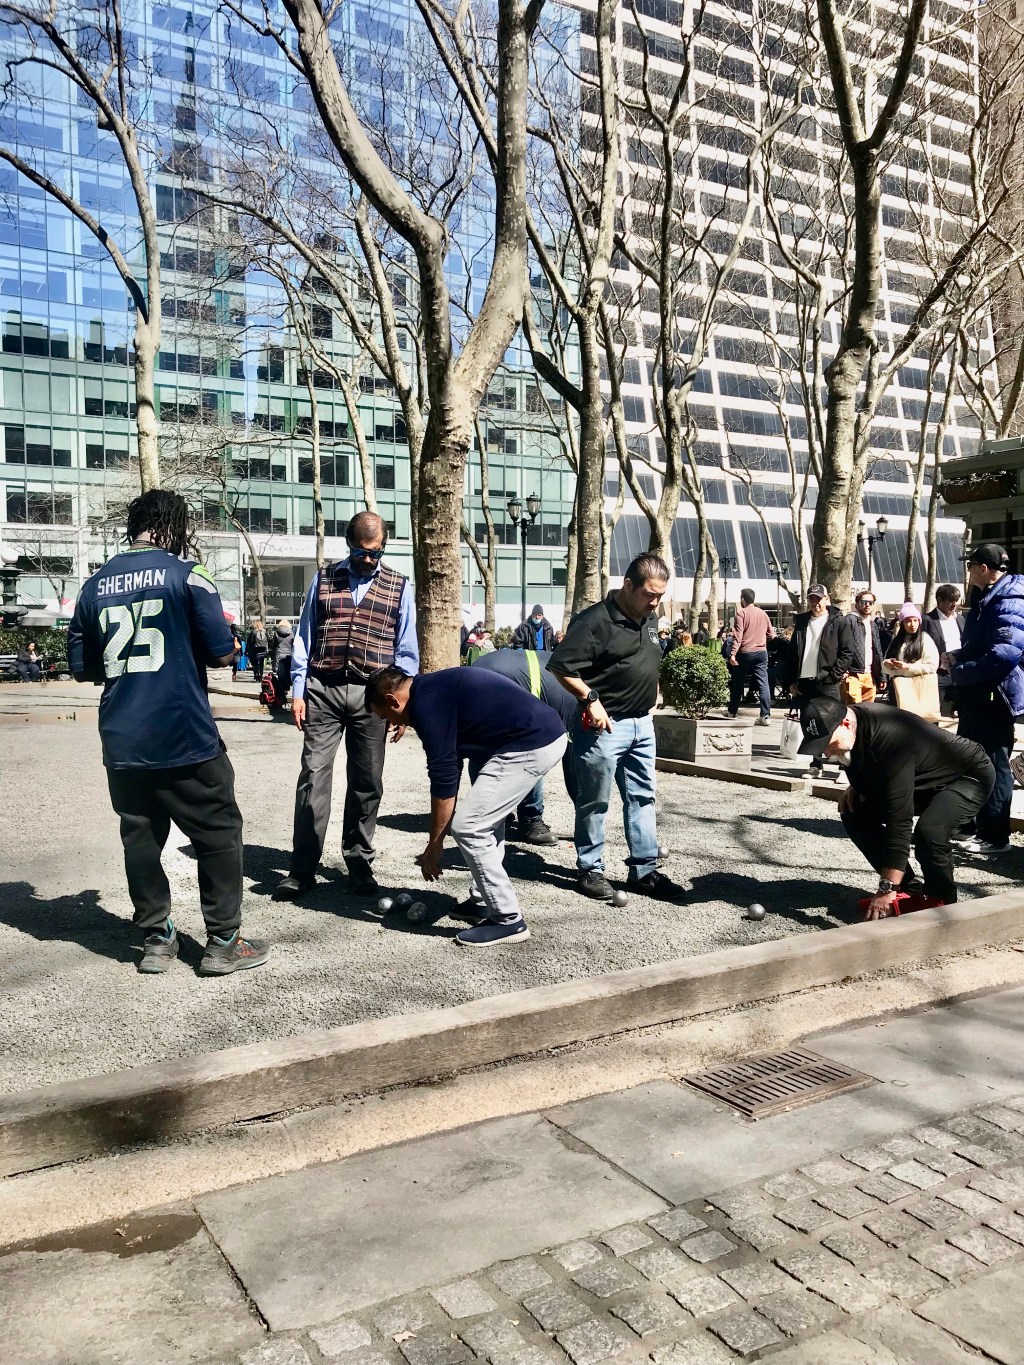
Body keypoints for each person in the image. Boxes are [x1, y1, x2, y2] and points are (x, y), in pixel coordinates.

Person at [67, 489, 269, 976]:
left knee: (139, 839)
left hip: (122, 737)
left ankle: (157, 939)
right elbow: (223, 652)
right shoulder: (189, 575)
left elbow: (81, 666)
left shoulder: (93, 585)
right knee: (218, 832)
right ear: (172, 527)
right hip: (182, 732)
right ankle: (223, 941)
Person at [365, 666, 567, 946]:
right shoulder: (428, 690)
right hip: (529, 737)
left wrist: (434, 846)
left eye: (386, 716)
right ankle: (484, 901)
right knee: (484, 821)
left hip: (531, 742)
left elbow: (444, 778)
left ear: (392, 700)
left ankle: (509, 920)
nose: (390, 723)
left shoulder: (426, 706)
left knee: (470, 827)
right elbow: (452, 764)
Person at [274, 511, 418, 901]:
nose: (369, 559)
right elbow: (304, 638)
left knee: (367, 781)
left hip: (374, 698)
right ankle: (302, 868)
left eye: (377, 552)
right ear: (348, 544)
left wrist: (402, 704)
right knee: (313, 777)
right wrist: (298, 690)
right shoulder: (323, 579)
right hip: (322, 688)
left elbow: (406, 652)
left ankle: (358, 860)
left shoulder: (400, 586)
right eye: (361, 552)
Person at [548, 553, 685, 903]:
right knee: (594, 800)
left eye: (660, 595)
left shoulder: (649, 617)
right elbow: (562, 667)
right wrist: (590, 698)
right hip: (604, 727)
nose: (655, 602)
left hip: (642, 724)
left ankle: (644, 871)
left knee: (642, 798)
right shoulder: (594, 622)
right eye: (649, 594)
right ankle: (590, 870)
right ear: (628, 585)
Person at [798, 695, 994, 917]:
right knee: (854, 810)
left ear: (845, 724)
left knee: (930, 831)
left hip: (966, 776)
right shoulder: (851, 725)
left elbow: (898, 820)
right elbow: (865, 762)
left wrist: (886, 887)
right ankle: (911, 892)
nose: (826, 753)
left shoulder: (891, 739)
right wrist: (858, 788)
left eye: (828, 743)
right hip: (921, 779)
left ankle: (942, 902)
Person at [946, 543, 1024, 855]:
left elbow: (1005, 653)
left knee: (994, 763)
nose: (967, 571)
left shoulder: (1009, 598)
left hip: (995, 693)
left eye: (970, 565)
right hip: (980, 691)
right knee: (969, 759)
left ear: (983, 569)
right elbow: (981, 644)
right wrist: (957, 655)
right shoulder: (989, 596)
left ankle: (995, 836)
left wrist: (961, 671)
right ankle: (969, 826)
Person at [472, 646, 578, 845]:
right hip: (499, 684)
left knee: (481, 749)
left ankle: (490, 812)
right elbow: (574, 772)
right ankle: (530, 820)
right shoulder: (574, 701)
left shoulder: (566, 671)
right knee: (531, 754)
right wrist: (584, 810)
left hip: (488, 672)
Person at [784, 585, 858, 777]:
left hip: (827, 681)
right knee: (810, 724)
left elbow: (847, 651)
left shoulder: (839, 622)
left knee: (835, 723)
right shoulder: (801, 622)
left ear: (827, 599)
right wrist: (791, 681)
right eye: (812, 599)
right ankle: (816, 763)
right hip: (804, 682)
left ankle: (844, 767)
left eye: (819, 599)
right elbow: (792, 654)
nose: (815, 603)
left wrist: (834, 675)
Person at [726, 589, 775, 726]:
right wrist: (761, 639)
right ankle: (765, 715)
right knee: (763, 683)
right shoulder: (763, 613)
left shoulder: (741, 613)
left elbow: (738, 636)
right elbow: (772, 635)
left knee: (737, 682)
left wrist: (733, 654)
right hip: (761, 652)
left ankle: (732, 711)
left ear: (743, 599)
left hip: (745, 652)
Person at [882, 603, 939, 705]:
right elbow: (888, 664)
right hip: (898, 688)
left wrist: (909, 667)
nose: (912, 624)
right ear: (902, 623)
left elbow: (932, 666)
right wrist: (887, 664)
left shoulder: (925, 639)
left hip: (918, 689)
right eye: (908, 621)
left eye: (915, 620)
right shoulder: (897, 641)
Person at [924, 584, 966, 716]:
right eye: (950, 601)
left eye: (956, 601)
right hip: (939, 673)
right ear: (940, 600)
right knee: (937, 713)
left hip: (960, 672)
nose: (954, 604)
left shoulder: (960, 619)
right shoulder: (928, 620)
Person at [845, 590, 887, 702]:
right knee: (854, 710)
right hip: (853, 674)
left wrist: (882, 676)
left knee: (868, 713)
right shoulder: (850, 620)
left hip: (870, 675)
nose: (867, 605)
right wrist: (843, 670)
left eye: (870, 602)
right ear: (856, 604)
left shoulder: (873, 624)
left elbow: (878, 651)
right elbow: (842, 646)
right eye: (864, 602)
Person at [271, 618, 294, 712]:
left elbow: (273, 645)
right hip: (288, 656)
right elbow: (293, 645)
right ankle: (285, 691)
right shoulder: (292, 633)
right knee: (286, 677)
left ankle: (281, 700)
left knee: (279, 678)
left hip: (279, 656)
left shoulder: (277, 633)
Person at [247, 618, 269, 683]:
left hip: (255, 649)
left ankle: (256, 674)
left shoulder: (253, 632)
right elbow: (267, 641)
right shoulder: (264, 631)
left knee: (255, 663)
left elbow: (250, 642)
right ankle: (261, 675)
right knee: (261, 663)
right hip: (263, 649)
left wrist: (248, 650)